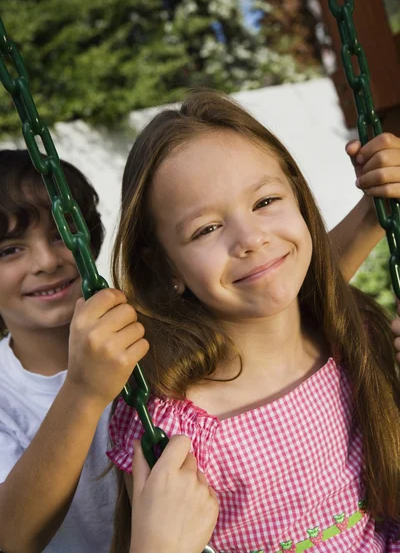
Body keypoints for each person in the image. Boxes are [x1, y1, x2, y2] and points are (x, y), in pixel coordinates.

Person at [105, 91, 400, 553]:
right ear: (166, 268)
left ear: (299, 201)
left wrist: (376, 206)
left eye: (265, 201)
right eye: (205, 229)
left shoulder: (349, 334)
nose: (251, 239)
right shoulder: (173, 429)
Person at [0, 150, 217, 553]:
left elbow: (274, 315)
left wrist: (368, 213)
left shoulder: (150, 325)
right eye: (9, 250)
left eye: (59, 234)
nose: (46, 261)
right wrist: (84, 390)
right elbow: (10, 538)